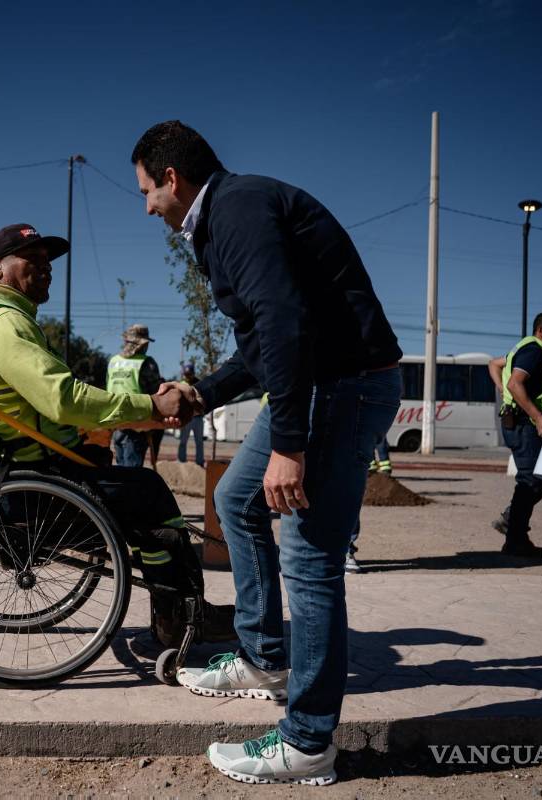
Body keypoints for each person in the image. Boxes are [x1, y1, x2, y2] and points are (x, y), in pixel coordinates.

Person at [131, 121, 402, 785]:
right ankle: (262, 657)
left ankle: (308, 742)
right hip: (322, 383)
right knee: (235, 499)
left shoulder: (238, 209)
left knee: (309, 558)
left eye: (146, 190)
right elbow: (262, 340)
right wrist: (203, 391)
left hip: (344, 388)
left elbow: (283, 324)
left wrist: (289, 446)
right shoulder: (227, 219)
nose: (146, 207)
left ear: (172, 178)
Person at [0, 222, 234, 652]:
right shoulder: (5, 324)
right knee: (150, 492)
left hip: (9, 470)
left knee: (125, 482)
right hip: (34, 484)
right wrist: (150, 406)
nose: (45, 270)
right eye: (33, 261)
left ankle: (177, 607)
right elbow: (62, 398)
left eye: (48, 263)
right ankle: (181, 618)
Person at [485, 311, 542, 557]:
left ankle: (513, 524)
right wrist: (537, 415)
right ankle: (514, 536)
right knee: (531, 479)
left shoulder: (526, 348)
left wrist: (503, 388)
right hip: (523, 424)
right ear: (541, 331)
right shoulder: (534, 350)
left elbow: (494, 364)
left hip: (520, 421)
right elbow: (516, 383)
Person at [107, 324, 162, 467]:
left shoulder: (114, 362)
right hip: (137, 424)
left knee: (121, 469)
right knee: (132, 474)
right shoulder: (146, 363)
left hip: (116, 422)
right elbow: (156, 394)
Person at [176, 362, 205, 467]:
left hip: (197, 418)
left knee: (199, 442)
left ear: (193, 373)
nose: (187, 376)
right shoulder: (181, 384)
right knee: (183, 440)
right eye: (186, 374)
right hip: (186, 417)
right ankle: (181, 460)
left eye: (189, 374)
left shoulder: (199, 383)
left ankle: (200, 462)